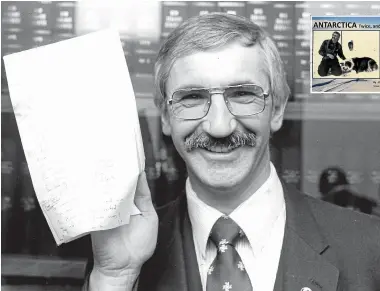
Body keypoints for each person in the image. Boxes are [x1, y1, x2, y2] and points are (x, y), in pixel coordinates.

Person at [85, 13, 380, 291]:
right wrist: (116, 278)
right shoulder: (122, 258)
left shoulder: (369, 249)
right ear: (165, 116)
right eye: (192, 97)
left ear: (276, 109)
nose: (219, 126)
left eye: (242, 95)